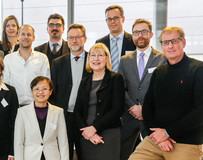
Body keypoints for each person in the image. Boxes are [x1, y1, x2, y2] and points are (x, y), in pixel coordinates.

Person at [129, 27, 203, 160]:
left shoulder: (200, 70)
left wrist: (167, 133)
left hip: (185, 142)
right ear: (162, 46)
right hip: (155, 142)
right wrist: (158, 137)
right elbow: (148, 107)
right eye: (165, 42)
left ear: (183, 43)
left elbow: (202, 111)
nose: (170, 46)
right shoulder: (159, 72)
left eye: (174, 41)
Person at [118, 19, 166, 160]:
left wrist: (144, 109)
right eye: (136, 32)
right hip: (129, 116)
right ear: (132, 35)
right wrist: (133, 107)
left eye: (144, 32)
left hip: (152, 117)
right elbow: (121, 88)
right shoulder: (124, 60)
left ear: (151, 34)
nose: (140, 35)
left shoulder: (162, 59)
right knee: (122, 154)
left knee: (154, 154)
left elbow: (163, 90)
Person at [74, 43, 125, 160]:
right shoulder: (85, 81)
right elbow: (77, 110)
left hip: (108, 133)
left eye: (100, 55)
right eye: (93, 55)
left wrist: (94, 128)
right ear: (89, 59)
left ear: (106, 58)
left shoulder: (115, 78)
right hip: (86, 134)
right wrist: (86, 131)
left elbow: (117, 109)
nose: (96, 58)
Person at [50, 24, 90, 160]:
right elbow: (52, 92)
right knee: (64, 153)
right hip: (64, 116)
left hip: (86, 116)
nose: (74, 41)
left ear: (84, 38)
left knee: (84, 152)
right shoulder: (57, 63)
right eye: (71, 38)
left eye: (78, 37)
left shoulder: (94, 60)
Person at [14, 76, 69, 160]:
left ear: (50, 92)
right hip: (30, 157)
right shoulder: (22, 112)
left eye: (44, 89)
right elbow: (18, 142)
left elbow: (63, 142)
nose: (40, 92)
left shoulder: (58, 112)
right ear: (32, 91)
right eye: (37, 89)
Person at [3, 25, 50, 106]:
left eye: (29, 34)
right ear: (17, 36)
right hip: (14, 105)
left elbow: (46, 84)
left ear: (33, 38)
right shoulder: (8, 59)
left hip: (36, 106)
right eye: (23, 34)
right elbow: (4, 84)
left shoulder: (42, 58)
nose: (26, 37)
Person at [95, 5, 136, 72]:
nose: (112, 21)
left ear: (123, 19)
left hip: (128, 81)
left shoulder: (133, 40)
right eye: (109, 19)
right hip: (107, 81)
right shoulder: (100, 43)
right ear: (106, 21)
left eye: (116, 18)